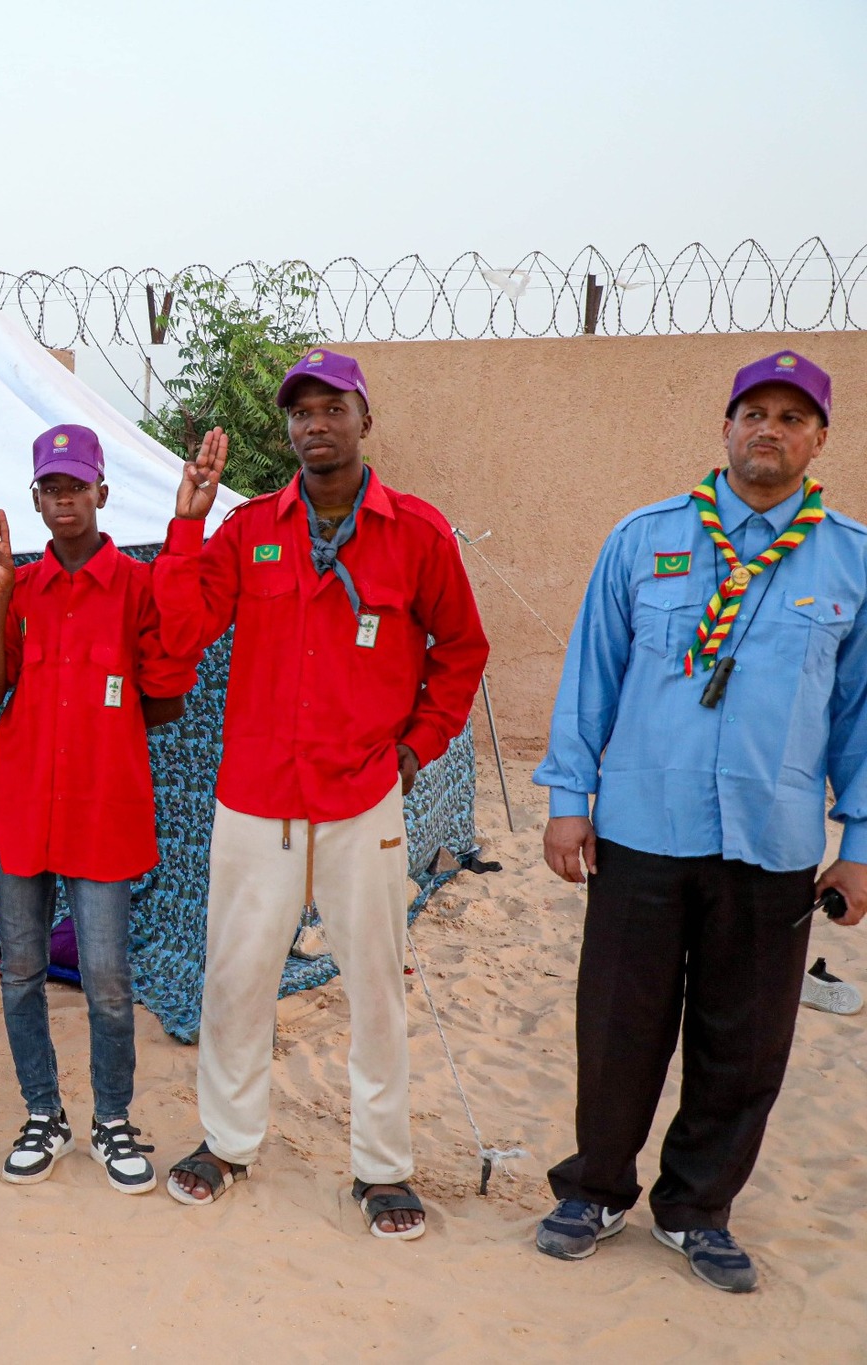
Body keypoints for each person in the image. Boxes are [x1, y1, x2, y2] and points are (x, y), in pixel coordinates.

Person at [532, 349, 866, 1293]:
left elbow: (860, 716)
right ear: (725, 427)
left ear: (820, 439)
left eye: (792, 418)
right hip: (643, 830)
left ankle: (696, 1208)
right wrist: (568, 801)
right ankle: (595, 1189)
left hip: (773, 842)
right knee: (619, 1024)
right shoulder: (644, 538)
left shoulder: (851, 560)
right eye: (754, 413)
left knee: (745, 1041)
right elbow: (591, 672)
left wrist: (860, 845)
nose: (770, 431)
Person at [163, 349, 488, 1240]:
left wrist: (418, 747)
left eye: (331, 408)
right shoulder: (249, 530)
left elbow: (462, 650)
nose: (315, 423)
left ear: (363, 420)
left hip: (361, 800)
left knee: (376, 988)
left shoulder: (417, 532)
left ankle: (381, 1167)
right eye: (301, 411)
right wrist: (187, 524)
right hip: (256, 798)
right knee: (236, 978)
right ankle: (228, 1141)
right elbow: (183, 630)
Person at [0, 423, 202, 1194]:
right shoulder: (21, 586)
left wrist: (106, 732)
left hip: (102, 811)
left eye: (76, 485)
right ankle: (44, 1113)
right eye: (51, 487)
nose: (64, 498)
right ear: (36, 497)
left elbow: (167, 690)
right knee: (20, 972)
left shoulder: (137, 585)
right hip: (22, 809)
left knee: (106, 977)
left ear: (103, 491)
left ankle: (112, 1118)